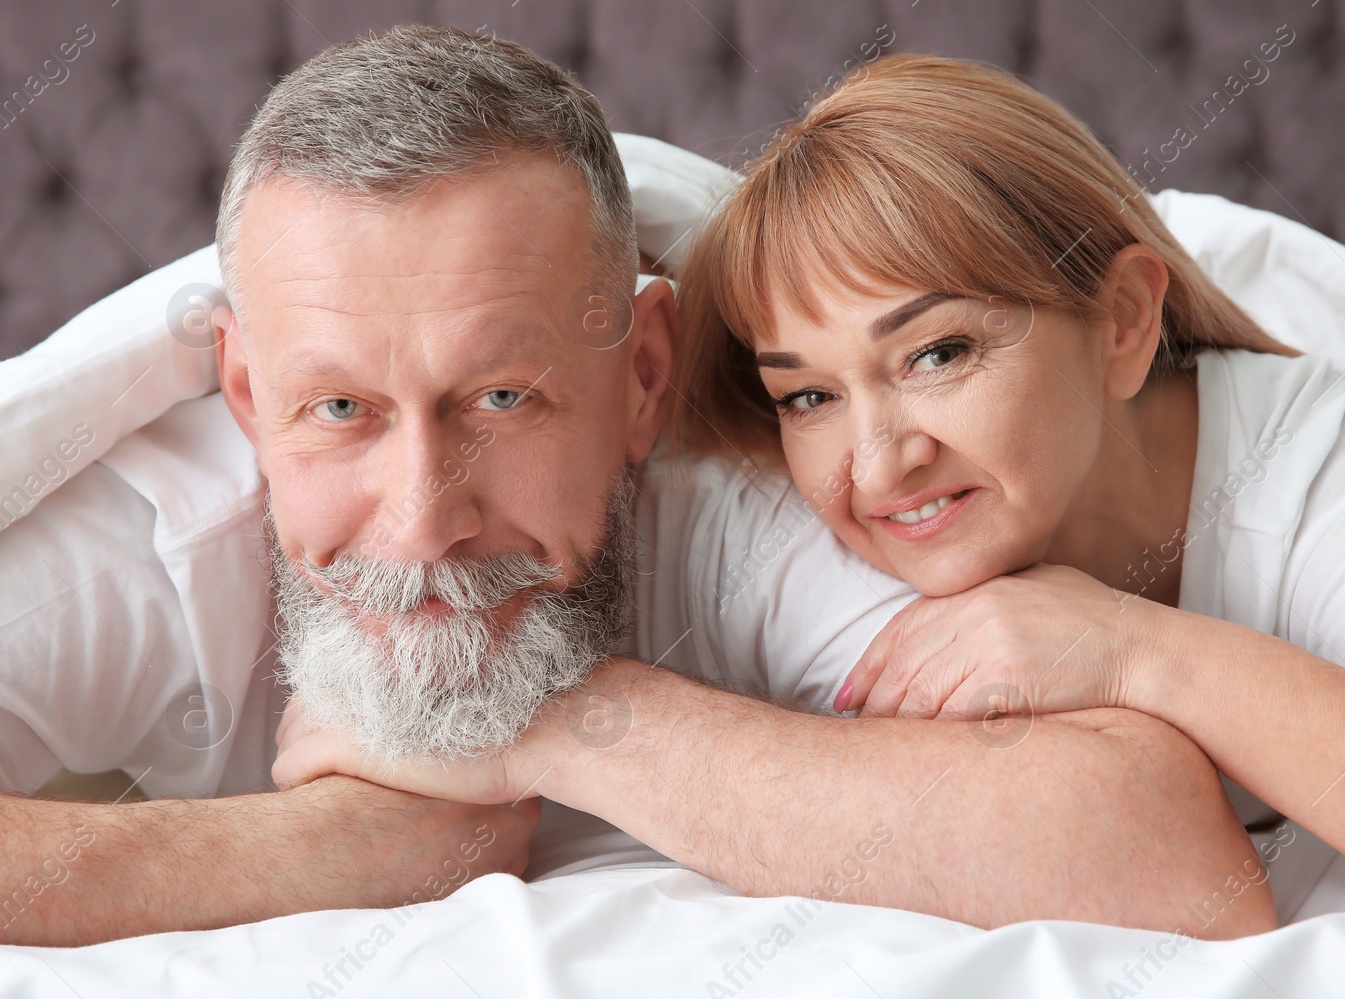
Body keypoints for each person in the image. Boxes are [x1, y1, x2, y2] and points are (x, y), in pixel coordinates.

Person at [2, 28, 1269, 946]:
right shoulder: (151, 543)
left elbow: (1160, 851)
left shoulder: (756, 483)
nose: (422, 519)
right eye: (338, 411)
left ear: (645, 375)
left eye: (502, 398)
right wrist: (324, 849)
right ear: (241, 394)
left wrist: (561, 725)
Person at [651, 54, 1345, 950]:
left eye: (938, 353)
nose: (878, 469)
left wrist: (1140, 652)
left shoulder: (1301, 466)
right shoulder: (774, 520)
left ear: (1122, 321)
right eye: (808, 395)